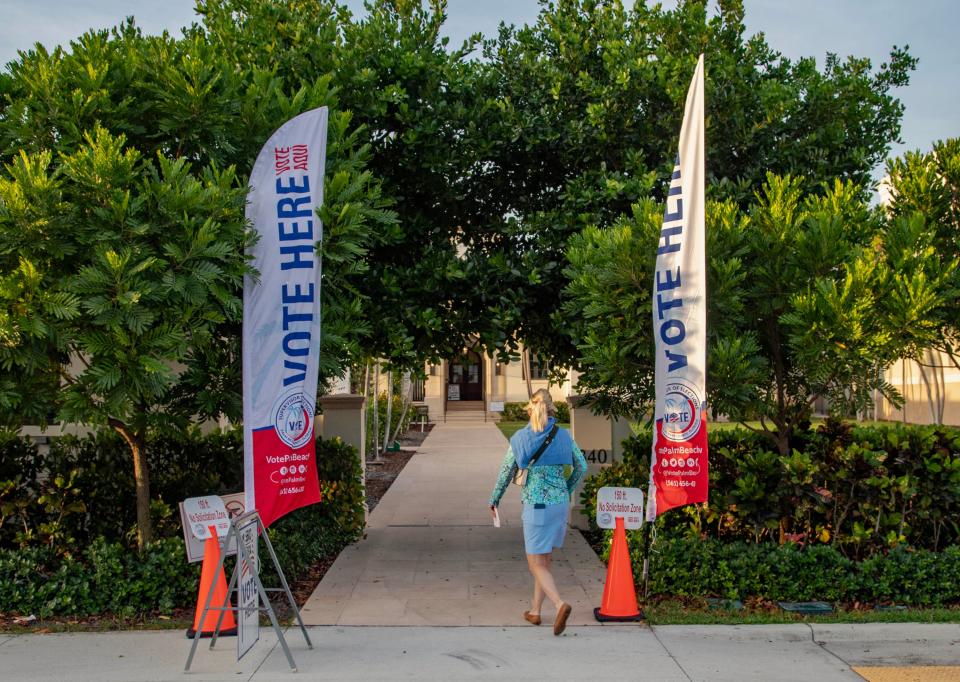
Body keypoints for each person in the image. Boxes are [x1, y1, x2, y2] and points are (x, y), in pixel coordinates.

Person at [488, 388, 588, 635]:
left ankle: (559, 604)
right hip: (559, 505)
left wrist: (494, 499)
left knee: (534, 563)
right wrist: (566, 488)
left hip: (537, 505)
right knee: (544, 561)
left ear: (531, 409)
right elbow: (582, 466)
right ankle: (535, 611)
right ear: (552, 409)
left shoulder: (521, 439)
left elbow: (505, 473)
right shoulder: (564, 436)